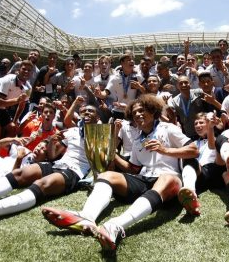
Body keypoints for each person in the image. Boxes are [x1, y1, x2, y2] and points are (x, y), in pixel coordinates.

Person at [41, 94, 199, 251]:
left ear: (153, 111)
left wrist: (164, 150)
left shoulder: (168, 128)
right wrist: (113, 154)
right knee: (105, 176)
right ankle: (86, 217)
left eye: (142, 110)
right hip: (144, 180)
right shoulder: (138, 139)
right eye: (134, 112)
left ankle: (115, 225)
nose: (137, 114)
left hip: (169, 181)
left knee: (167, 178)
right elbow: (133, 169)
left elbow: (193, 150)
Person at [0, 105, 99, 227]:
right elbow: (53, 156)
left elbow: (103, 161)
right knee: (20, 173)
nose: (86, 112)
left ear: (97, 117)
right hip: (57, 164)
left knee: (42, 184)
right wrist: (52, 142)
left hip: (73, 171)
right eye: (84, 110)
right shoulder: (72, 132)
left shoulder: (100, 136)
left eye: (91, 111)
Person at [178, 112, 222, 215]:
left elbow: (212, 144)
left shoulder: (217, 138)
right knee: (187, 158)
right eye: (196, 123)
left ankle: (191, 192)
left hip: (211, 172)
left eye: (201, 122)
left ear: (208, 123)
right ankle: (190, 193)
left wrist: (212, 127)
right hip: (196, 173)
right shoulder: (194, 142)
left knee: (190, 159)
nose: (198, 125)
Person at [0, 60, 32, 145]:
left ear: (31, 73)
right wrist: (17, 100)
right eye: (24, 69)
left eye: (29, 70)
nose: (26, 71)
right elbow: (0, 102)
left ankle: (5, 152)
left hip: (1, 108)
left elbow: (22, 105)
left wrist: (15, 121)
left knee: (12, 128)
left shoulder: (29, 88)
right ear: (19, 70)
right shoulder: (8, 79)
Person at [94, 53, 144, 120]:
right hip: (118, 112)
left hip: (132, 111)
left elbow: (147, 92)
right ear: (122, 63)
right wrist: (99, 93)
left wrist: (140, 87)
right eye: (129, 60)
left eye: (132, 60)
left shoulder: (138, 77)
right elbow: (105, 93)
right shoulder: (115, 78)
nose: (132, 61)